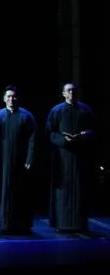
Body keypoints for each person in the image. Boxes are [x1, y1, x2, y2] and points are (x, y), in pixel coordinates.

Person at [46, 82, 97, 233]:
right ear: (63, 93)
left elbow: (93, 129)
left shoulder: (85, 109)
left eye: (74, 90)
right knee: (63, 190)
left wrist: (84, 135)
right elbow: (50, 132)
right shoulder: (56, 110)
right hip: (63, 157)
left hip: (80, 157)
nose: (71, 93)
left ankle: (79, 224)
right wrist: (64, 139)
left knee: (80, 190)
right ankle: (62, 224)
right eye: (68, 91)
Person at [0, 85, 36, 235]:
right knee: (4, 193)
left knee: (21, 192)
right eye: (8, 96)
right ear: (4, 98)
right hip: (3, 161)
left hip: (21, 161)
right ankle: (5, 225)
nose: (11, 99)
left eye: (13, 96)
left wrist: (30, 158)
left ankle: (22, 224)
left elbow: (32, 139)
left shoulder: (26, 116)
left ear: (17, 98)